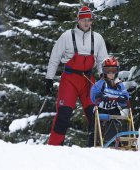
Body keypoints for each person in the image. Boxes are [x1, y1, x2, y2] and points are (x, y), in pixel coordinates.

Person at [45, 6, 108, 146]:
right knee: (64, 114)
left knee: (95, 115)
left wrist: (105, 79)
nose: (86, 23)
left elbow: (102, 61)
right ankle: (54, 147)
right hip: (70, 79)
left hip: (88, 80)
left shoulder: (97, 38)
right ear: (78, 20)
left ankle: (95, 146)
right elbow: (54, 57)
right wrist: (49, 78)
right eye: (84, 20)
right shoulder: (67, 36)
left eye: (89, 20)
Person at [90, 56, 130, 142]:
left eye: (113, 70)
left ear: (117, 71)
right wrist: (100, 96)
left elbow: (125, 94)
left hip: (113, 108)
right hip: (101, 108)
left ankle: (119, 141)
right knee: (96, 127)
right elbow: (93, 95)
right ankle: (93, 142)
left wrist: (123, 98)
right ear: (104, 71)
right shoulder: (101, 83)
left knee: (118, 122)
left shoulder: (119, 84)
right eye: (108, 70)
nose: (111, 73)